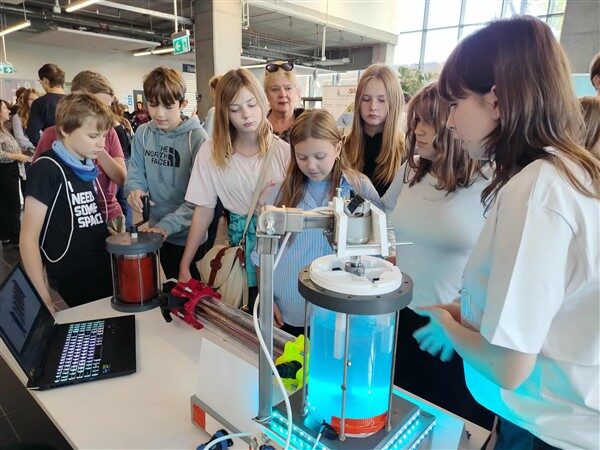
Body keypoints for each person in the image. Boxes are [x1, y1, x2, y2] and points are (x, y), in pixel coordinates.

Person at [412, 16, 600, 449]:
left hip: (548, 431)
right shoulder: (566, 172)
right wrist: (463, 312)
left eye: (455, 104)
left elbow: (509, 365)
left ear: (496, 100)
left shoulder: (537, 192)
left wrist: (447, 326)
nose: (450, 122)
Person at [382, 83, 493, 428]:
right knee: (397, 420)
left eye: (427, 121)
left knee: (450, 428)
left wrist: (460, 315)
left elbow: (499, 266)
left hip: (452, 328)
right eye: (415, 120)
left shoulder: (490, 182)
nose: (417, 130)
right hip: (400, 318)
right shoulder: (410, 170)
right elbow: (386, 215)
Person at [257, 109, 381, 335]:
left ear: (338, 148)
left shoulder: (358, 189)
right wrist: (266, 298)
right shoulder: (282, 193)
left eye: (320, 156)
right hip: (288, 310)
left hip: (340, 312)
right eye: (302, 157)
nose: (311, 166)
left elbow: (377, 252)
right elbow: (261, 255)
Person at [179, 68, 290, 311]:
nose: (246, 114)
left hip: (280, 252)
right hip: (237, 255)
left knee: (276, 322)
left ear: (262, 101)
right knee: (237, 319)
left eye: (251, 104)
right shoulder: (211, 152)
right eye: (235, 109)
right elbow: (204, 210)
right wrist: (184, 265)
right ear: (224, 113)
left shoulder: (283, 152)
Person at [20, 93, 114, 311]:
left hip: (101, 262)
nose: (101, 144)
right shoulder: (46, 169)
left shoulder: (86, 164)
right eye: (93, 136)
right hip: (74, 272)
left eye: (104, 136)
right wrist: (43, 296)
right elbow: (28, 238)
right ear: (64, 129)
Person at [126, 66, 209, 280]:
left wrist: (168, 225)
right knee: (168, 285)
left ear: (183, 104)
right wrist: (135, 189)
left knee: (190, 290)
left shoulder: (197, 138)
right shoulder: (143, 133)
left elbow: (200, 199)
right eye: (153, 105)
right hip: (156, 232)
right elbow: (135, 170)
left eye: (168, 106)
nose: (159, 114)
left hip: (189, 236)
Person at [33, 70, 127, 233]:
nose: (105, 114)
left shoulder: (109, 133)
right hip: (67, 218)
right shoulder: (51, 135)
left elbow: (121, 177)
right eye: (98, 105)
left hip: (108, 212)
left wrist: (97, 145)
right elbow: (38, 184)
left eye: (107, 108)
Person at [343, 64, 405, 197]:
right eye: (366, 99)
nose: (373, 107)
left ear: (394, 102)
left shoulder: (405, 150)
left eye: (382, 100)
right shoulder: (343, 146)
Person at [0, 100, 30, 246]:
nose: (8, 111)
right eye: (5, 108)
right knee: (11, 204)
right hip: (5, 171)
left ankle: (8, 235)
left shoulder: (4, 129)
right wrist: (17, 156)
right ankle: (14, 236)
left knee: (10, 204)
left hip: (11, 170)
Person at [264, 60, 304, 143]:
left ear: (298, 92)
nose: (282, 94)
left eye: (288, 88)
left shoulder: (309, 123)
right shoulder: (257, 125)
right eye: (275, 89)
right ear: (266, 94)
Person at [26, 63, 66, 146]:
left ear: (45, 80)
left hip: (54, 148)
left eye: (40, 81)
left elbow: (32, 134)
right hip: (76, 150)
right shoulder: (75, 101)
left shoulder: (40, 103)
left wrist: (44, 148)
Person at [111, 100, 134, 227]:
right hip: (127, 158)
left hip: (116, 160)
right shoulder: (125, 122)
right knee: (125, 199)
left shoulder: (112, 123)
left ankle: (121, 228)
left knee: (113, 198)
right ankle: (129, 228)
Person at [12, 88, 41, 153]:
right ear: (25, 100)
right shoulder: (17, 117)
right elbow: (21, 140)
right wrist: (40, 145)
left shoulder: (40, 116)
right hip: (27, 153)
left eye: (36, 99)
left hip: (41, 151)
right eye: (31, 99)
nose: (34, 101)